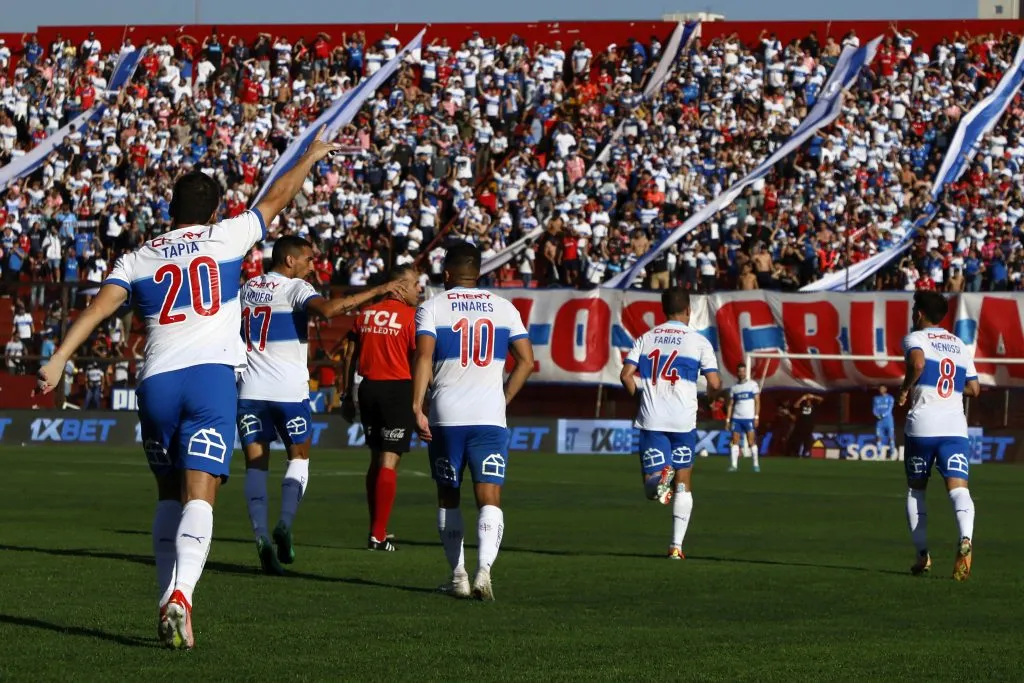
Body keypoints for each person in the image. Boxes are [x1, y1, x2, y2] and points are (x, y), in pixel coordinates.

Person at [36, 126, 343, 650]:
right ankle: (180, 597)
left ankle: (166, 599)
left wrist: (59, 359)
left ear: (170, 208)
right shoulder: (226, 237)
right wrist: (311, 157)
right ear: (214, 209)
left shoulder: (137, 257)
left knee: (166, 493)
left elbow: (97, 309)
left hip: (155, 383)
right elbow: (277, 197)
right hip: (209, 380)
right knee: (201, 492)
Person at [237, 235, 405, 574]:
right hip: (288, 392)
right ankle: (284, 523)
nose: (313, 266)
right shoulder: (295, 288)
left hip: (250, 391)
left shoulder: (248, 289)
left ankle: (260, 537)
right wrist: (376, 291)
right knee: (298, 458)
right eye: (308, 260)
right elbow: (328, 310)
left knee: (256, 465)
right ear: (289, 261)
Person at [412, 241, 534, 600]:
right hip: (489, 416)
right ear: (477, 272)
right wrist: (504, 397)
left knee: (448, 495)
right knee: (489, 495)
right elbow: (526, 360)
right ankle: (484, 572)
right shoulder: (505, 308)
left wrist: (417, 406)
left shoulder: (431, 308)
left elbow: (423, 358)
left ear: (447, 274)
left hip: (447, 415)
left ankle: (458, 577)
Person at [620, 289, 721, 559]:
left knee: (651, 489)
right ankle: (676, 546)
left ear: (663, 310)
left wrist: (639, 397)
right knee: (683, 483)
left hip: (653, 418)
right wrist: (711, 400)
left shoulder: (646, 338)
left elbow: (626, 375)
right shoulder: (699, 342)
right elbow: (714, 383)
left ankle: (660, 477)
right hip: (683, 420)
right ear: (688, 310)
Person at [898, 290, 979, 580]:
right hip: (955, 428)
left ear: (919, 313)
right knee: (959, 490)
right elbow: (974, 388)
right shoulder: (959, 345)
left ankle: (922, 556)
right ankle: (966, 539)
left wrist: (906, 388)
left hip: (922, 427)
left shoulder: (915, 338)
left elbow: (917, 364)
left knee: (916, 490)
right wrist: (952, 387)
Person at [341, 266, 422, 552]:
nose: (418, 290)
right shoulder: (412, 318)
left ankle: (377, 527)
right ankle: (377, 535)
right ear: (399, 286)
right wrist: (422, 401)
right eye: (414, 284)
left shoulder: (366, 314)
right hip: (397, 389)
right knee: (389, 461)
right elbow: (419, 359)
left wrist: (346, 395)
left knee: (376, 460)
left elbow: (350, 355)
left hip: (368, 389)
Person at [725, 363, 760, 472]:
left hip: (749, 418)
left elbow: (757, 402)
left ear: (746, 372)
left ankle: (755, 464)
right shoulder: (734, 388)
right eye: (739, 371)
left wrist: (756, 416)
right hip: (736, 418)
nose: (741, 373)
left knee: (751, 442)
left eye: (743, 371)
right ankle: (734, 465)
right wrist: (728, 419)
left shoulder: (752, 385)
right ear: (737, 373)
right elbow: (730, 404)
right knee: (735, 441)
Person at [872, 385, 897, 458]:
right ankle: (879, 455)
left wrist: (882, 415)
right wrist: (876, 415)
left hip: (888, 420)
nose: (881, 390)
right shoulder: (876, 398)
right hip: (879, 421)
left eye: (882, 388)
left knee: (891, 437)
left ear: (886, 389)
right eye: (880, 388)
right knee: (878, 437)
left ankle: (892, 454)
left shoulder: (890, 398)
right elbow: (874, 409)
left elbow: (889, 409)